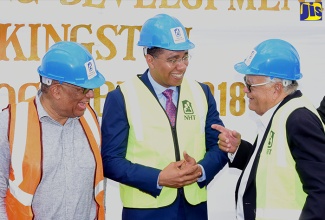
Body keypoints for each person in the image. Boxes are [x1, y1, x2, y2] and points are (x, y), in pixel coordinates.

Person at [101, 13, 227, 220]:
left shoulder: (201, 92)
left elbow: (220, 146)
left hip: (193, 210)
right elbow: (111, 161)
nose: (182, 66)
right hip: (145, 212)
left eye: (185, 56)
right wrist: (158, 178)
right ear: (149, 59)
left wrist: (201, 170)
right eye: (173, 59)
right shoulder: (122, 97)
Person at [212, 39, 325, 220]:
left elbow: (321, 190)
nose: (244, 91)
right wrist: (239, 149)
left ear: (276, 88)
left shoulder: (298, 120)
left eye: (250, 84)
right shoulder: (279, 114)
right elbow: (273, 166)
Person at [0, 41, 106, 219]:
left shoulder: (90, 117)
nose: (91, 95)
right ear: (57, 90)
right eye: (84, 89)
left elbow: (97, 191)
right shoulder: (11, 122)